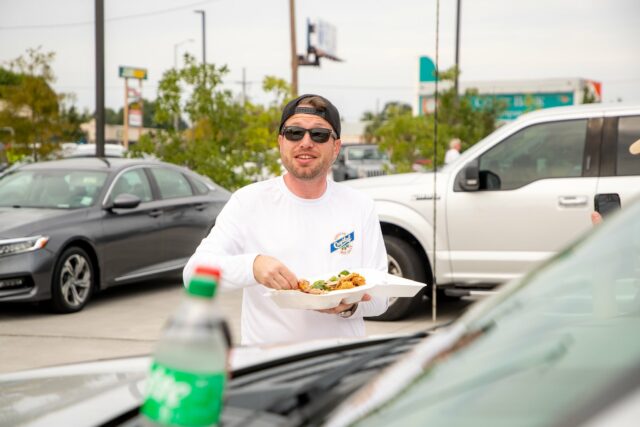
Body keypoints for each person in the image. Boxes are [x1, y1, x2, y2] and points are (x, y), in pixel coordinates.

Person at [183, 94, 389, 346]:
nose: (306, 142)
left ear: (335, 147)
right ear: (281, 142)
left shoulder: (360, 206)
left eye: (319, 135)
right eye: (294, 133)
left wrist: (349, 307)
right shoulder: (248, 201)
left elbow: (381, 296)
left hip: (340, 364)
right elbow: (193, 275)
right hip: (271, 367)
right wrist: (252, 267)